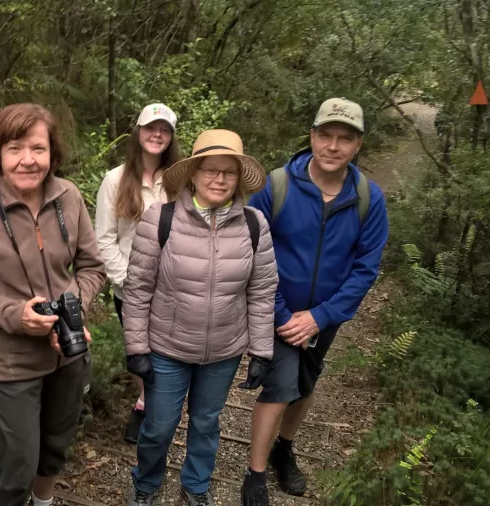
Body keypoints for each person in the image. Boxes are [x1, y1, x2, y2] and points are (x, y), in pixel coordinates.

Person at [0, 103, 106, 506]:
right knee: (14, 464)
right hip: (7, 362)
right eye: (15, 148)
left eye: (37, 148)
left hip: (66, 353)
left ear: (52, 152)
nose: (27, 160)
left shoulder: (68, 196)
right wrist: (15, 315)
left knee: (55, 446)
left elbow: (91, 266)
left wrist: (72, 309)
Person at [239, 98, 389, 506]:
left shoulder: (368, 199)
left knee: (307, 381)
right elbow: (248, 248)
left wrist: (321, 316)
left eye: (345, 139)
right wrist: (282, 314)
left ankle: (283, 449)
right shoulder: (277, 185)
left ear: (357, 145)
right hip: (277, 311)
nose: (333, 146)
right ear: (312, 136)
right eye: (326, 135)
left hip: (325, 318)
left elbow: (365, 268)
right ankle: (255, 475)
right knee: (281, 383)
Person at [123, 130, 279, 506]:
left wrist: (261, 351)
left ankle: (195, 487)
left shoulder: (254, 226)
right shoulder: (160, 219)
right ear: (192, 173)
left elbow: (261, 292)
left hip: (223, 351)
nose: (219, 179)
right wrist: (136, 348)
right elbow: (138, 288)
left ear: (238, 179)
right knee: (159, 426)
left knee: (206, 424)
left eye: (228, 172)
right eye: (210, 170)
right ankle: (145, 484)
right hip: (167, 348)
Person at [94, 103, 181, 444]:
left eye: (164, 129)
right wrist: (129, 282)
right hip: (130, 288)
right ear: (139, 132)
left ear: (171, 137)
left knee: (168, 350)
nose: (157, 134)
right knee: (139, 352)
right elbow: (104, 239)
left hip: (175, 286)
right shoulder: (115, 180)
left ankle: (163, 409)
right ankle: (144, 402)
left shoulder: (180, 180)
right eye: (150, 127)